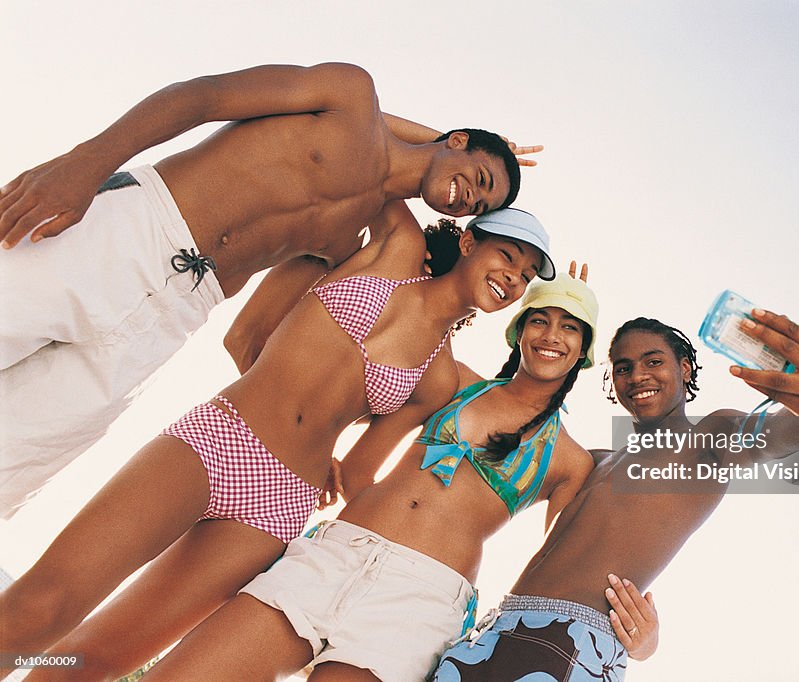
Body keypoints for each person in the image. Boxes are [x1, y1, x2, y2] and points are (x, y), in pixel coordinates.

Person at [0, 201, 553, 681]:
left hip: (280, 503)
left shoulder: (438, 379)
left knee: (100, 659)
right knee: (47, 604)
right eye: (507, 255)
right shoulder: (396, 247)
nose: (513, 277)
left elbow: (362, 470)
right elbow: (372, 150)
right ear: (469, 237)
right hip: (223, 436)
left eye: (526, 274)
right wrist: (479, 159)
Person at [0, 61, 534, 517]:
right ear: (457, 142)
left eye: (481, 207)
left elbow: (255, 341)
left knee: (22, 450)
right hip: (136, 228)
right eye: (480, 180)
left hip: (178, 311)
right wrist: (85, 164)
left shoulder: (354, 239)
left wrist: (310, 434)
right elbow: (203, 97)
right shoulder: (352, 99)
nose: (469, 199)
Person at [136, 270, 600, 682]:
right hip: (338, 552)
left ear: (584, 349)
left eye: (570, 327)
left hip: (420, 602)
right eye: (540, 319)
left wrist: (640, 641)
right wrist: (318, 460)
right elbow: (362, 450)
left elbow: (556, 578)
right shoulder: (456, 381)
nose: (551, 335)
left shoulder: (569, 461)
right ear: (519, 330)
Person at [434, 311, 799, 681]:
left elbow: (785, 434)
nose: (637, 376)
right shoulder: (589, 461)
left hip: (571, 639)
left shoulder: (708, 439)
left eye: (654, 362)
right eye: (623, 367)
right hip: (495, 628)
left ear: (685, 369)